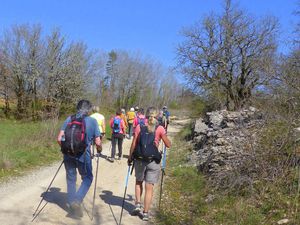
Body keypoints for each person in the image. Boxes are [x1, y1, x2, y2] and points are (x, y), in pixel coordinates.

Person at [57, 100, 101, 217]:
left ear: (77, 108)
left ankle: (72, 206)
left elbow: (59, 138)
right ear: (89, 109)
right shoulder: (93, 121)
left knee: (71, 179)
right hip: (83, 156)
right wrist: (99, 149)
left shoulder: (69, 119)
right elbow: (97, 141)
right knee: (87, 178)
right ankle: (77, 200)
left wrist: (65, 149)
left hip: (68, 155)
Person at [128, 107, 171, 221]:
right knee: (149, 188)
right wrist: (163, 136)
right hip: (153, 161)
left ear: (146, 115)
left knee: (138, 182)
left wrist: (130, 157)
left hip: (140, 159)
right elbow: (168, 144)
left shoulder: (139, 127)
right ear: (158, 116)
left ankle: (137, 204)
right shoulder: (160, 128)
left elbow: (134, 144)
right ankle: (145, 213)